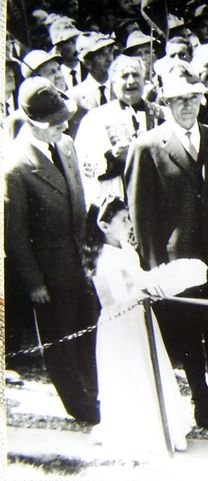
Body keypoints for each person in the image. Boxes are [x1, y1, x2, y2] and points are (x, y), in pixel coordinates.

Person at [124, 61, 208, 430]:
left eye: (193, 98)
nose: (186, 106)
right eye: (178, 100)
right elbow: (140, 216)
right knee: (188, 333)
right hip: (176, 263)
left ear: (202, 99)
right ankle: (202, 400)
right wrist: (153, 271)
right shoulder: (146, 147)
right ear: (165, 104)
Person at [4, 77, 99, 424]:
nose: (62, 127)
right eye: (53, 123)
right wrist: (33, 282)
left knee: (88, 330)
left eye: (64, 120)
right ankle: (80, 406)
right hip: (48, 274)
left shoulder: (67, 146)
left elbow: (80, 202)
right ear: (31, 123)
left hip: (78, 263)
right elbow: (15, 235)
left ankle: (97, 392)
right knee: (59, 342)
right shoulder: (15, 168)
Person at [83, 196, 199, 455]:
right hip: (120, 328)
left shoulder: (126, 250)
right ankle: (140, 434)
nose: (128, 223)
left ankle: (164, 427)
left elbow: (138, 283)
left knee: (150, 367)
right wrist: (150, 286)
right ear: (104, 226)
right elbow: (117, 298)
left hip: (140, 320)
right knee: (131, 373)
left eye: (128, 218)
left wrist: (158, 285)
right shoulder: (104, 260)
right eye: (123, 220)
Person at [74, 55, 165, 205]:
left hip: (159, 198)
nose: (131, 81)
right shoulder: (95, 119)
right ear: (113, 82)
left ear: (144, 80)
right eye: (124, 76)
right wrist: (112, 158)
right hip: (118, 199)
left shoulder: (162, 114)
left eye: (136, 75)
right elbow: (85, 164)